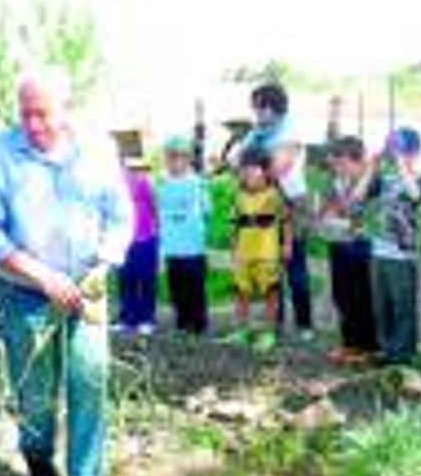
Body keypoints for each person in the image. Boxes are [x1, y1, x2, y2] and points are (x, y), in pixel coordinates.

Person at [0, 66, 134, 476]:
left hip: (87, 290)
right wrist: (41, 275)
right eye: (25, 114)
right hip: (26, 292)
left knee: (89, 381)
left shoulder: (97, 149)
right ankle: (39, 459)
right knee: (36, 393)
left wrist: (104, 263)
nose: (33, 124)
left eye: (43, 113)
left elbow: (119, 215)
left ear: (66, 108)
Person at [365, 126, 421, 366]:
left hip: (403, 255)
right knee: (381, 306)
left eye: (403, 152)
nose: (396, 157)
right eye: (394, 152)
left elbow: (415, 195)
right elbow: (360, 195)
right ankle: (387, 351)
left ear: (415, 153)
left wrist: (402, 164)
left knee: (402, 307)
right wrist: (372, 166)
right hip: (378, 250)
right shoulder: (385, 179)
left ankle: (403, 355)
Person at [319, 135, 379, 364]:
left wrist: (342, 212)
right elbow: (329, 208)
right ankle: (350, 342)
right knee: (341, 294)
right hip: (338, 242)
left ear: (357, 160)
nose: (338, 168)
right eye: (335, 163)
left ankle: (367, 345)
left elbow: (355, 206)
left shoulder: (372, 181)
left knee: (361, 296)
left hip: (361, 246)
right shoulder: (336, 181)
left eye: (342, 163)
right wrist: (326, 215)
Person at [224, 149, 291, 352]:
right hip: (244, 250)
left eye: (252, 170)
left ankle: (268, 332)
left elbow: (286, 221)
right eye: (243, 170)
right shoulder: (239, 195)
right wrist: (233, 246)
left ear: (264, 172)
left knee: (270, 291)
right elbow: (234, 223)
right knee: (241, 290)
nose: (247, 174)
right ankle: (242, 330)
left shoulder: (274, 195)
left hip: (267, 251)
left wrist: (287, 244)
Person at [156, 135, 211, 336]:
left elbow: (206, 210)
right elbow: (158, 210)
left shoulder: (196, 183)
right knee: (176, 287)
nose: (175, 162)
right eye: (171, 157)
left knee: (195, 287)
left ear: (187, 159)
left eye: (179, 157)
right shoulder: (162, 183)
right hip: (173, 247)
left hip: (193, 247)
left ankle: (199, 324)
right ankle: (182, 322)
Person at [271, 131, 314, 340]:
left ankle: (304, 324)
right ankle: (275, 322)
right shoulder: (266, 135)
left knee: (296, 271)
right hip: (274, 207)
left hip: (294, 206)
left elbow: (283, 166)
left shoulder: (289, 130)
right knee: (273, 271)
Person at [116, 155, 159, 336]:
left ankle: (147, 319)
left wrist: (155, 232)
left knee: (146, 279)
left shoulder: (142, 182)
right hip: (122, 240)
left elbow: (154, 207)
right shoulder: (111, 186)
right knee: (126, 280)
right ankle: (127, 318)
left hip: (144, 237)